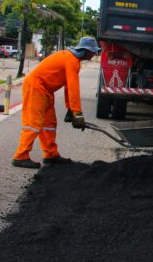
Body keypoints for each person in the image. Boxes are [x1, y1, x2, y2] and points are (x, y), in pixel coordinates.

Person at [12, 37, 102, 169]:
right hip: (36, 88)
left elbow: (68, 87)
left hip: (46, 91)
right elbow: (73, 88)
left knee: (49, 123)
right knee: (33, 123)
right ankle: (20, 156)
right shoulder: (72, 61)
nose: (95, 54)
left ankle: (50, 155)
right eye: (93, 52)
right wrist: (77, 114)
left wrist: (70, 109)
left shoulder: (72, 59)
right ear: (86, 51)